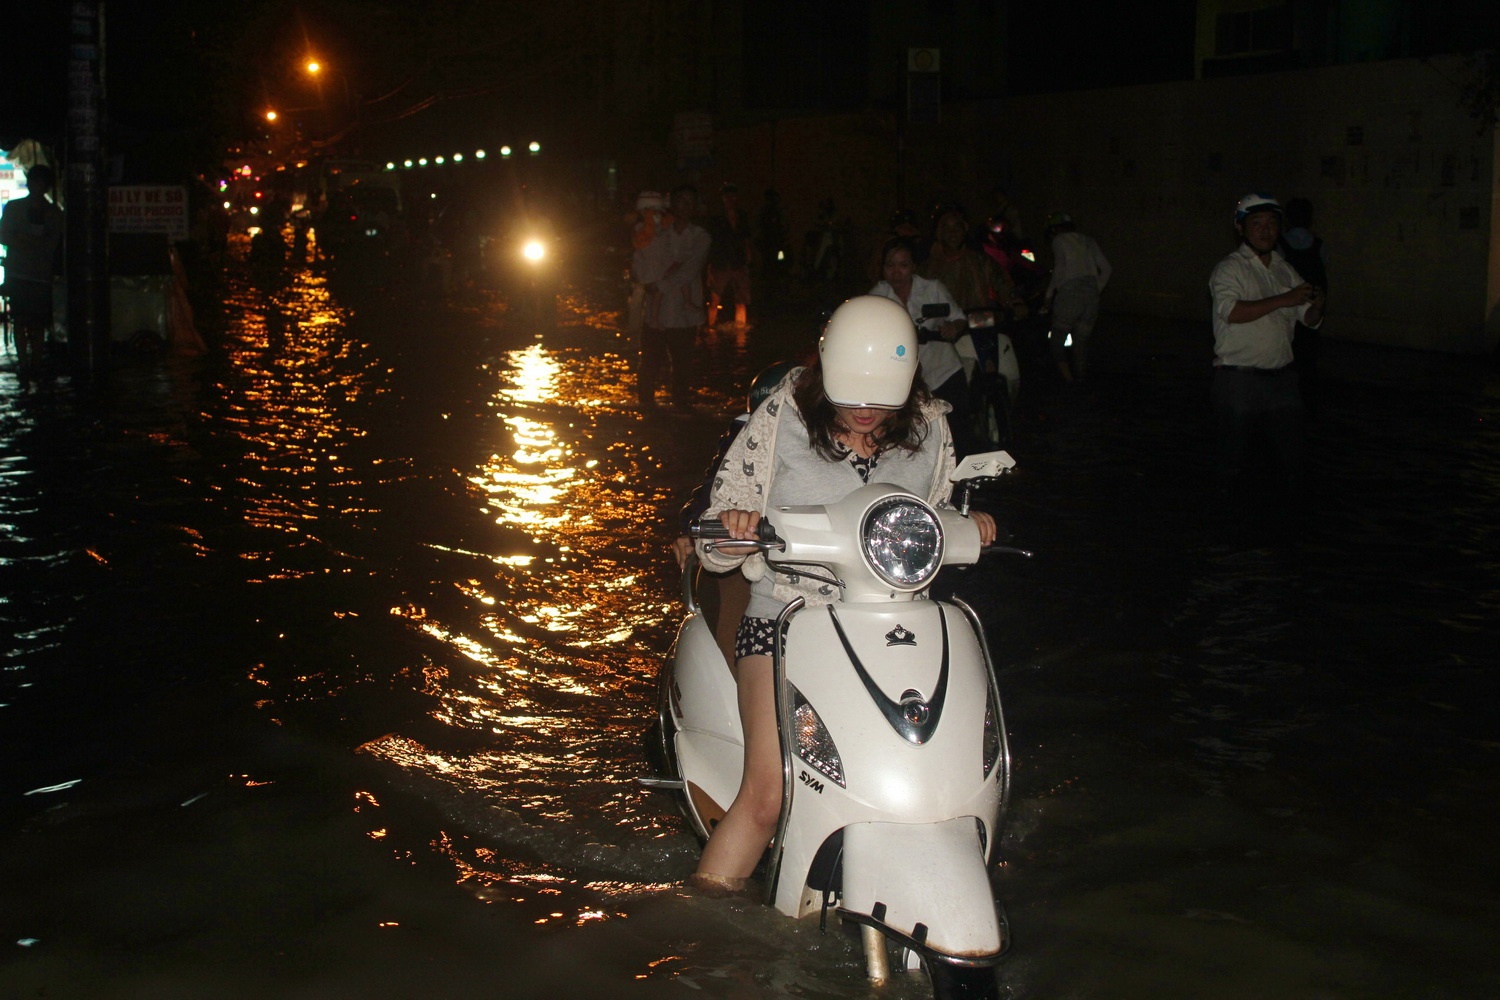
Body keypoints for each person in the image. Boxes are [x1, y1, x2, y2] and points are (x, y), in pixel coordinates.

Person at [689, 295, 998, 895]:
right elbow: (718, 524)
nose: (862, 411)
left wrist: (967, 521)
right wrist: (732, 528)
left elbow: (933, 509)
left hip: (893, 620)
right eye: (850, 395)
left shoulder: (932, 425)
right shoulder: (782, 416)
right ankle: (699, 927)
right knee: (765, 796)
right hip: (786, 614)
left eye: (880, 399)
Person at [671, 360, 801, 669]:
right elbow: (704, 501)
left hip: (822, 563)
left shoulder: (835, 439)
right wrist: (693, 530)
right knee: (738, 623)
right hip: (749, 560)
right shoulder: (742, 441)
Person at [1209, 193, 1324, 493]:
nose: (1265, 230)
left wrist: (1317, 306)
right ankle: (1225, 527)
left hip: (1282, 379)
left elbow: (1307, 319)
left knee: (1294, 460)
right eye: (1256, 223)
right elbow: (1232, 311)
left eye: (1272, 223)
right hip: (1238, 380)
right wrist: (1285, 298)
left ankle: (1283, 528)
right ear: (1241, 229)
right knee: (1232, 463)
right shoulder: (1229, 269)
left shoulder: (1284, 269)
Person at [868, 237, 977, 458]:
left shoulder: (932, 288)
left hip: (942, 371)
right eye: (890, 265)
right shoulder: (877, 296)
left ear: (914, 267)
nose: (896, 272)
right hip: (904, 377)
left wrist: (952, 328)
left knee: (958, 431)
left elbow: (959, 318)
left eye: (903, 265)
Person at [638, 184, 710, 411]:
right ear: (672, 204)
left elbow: (690, 269)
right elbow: (647, 262)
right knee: (649, 364)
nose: (685, 207)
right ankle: (646, 409)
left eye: (690, 202)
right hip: (655, 313)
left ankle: (680, 408)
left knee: (682, 366)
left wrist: (658, 284)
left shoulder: (701, 237)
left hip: (683, 313)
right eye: (681, 201)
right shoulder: (657, 233)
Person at [0, 163, 65, 380]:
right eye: (33, 181)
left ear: (46, 186)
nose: (36, 186)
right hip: (22, 273)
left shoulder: (53, 213)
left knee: (35, 321)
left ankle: (33, 364)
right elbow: (4, 236)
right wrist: (33, 242)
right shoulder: (15, 208)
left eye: (40, 182)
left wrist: (22, 239)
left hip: (37, 274)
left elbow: (51, 245)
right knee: (21, 319)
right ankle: (25, 364)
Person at [1042, 211, 1111, 382]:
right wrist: (1096, 288)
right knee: (1081, 342)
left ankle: (1067, 379)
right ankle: (1081, 378)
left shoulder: (1059, 240)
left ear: (1054, 230)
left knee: (1057, 338)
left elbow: (1060, 268)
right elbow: (1107, 269)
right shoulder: (1088, 240)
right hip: (1091, 294)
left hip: (1071, 293)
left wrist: (1049, 294)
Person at [1278, 197, 1328, 416]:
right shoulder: (1319, 245)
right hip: (1312, 306)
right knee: (1308, 359)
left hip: (1289, 309)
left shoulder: (1281, 245)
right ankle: (1308, 403)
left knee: (1289, 357)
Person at [705, 182, 752, 328]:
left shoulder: (742, 216)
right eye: (727, 197)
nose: (730, 199)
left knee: (741, 300)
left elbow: (746, 239)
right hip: (721, 263)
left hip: (738, 263)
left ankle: (740, 330)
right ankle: (710, 327)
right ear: (723, 199)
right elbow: (711, 242)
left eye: (733, 196)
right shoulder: (716, 218)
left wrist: (748, 258)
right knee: (714, 299)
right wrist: (710, 266)